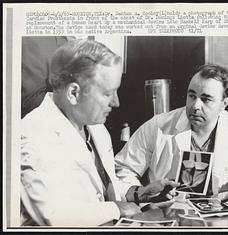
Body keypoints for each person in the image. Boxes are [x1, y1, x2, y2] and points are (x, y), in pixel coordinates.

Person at [20, 38, 178, 227]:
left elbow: (99, 186)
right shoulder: (32, 135)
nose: (116, 103)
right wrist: (116, 208)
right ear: (74, 93)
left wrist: (139, 193)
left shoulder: (95, 127)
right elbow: (53, 214)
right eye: (107, 93)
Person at [115, 64, 228, 211]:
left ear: (225, 103)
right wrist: (141, 193)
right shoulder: (157, 126)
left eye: (206, 99)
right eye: (192, 96)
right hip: (165, 215)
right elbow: (121, 170)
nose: (195, 106)